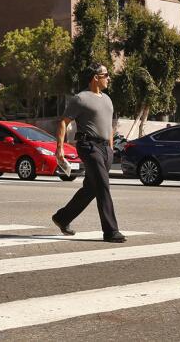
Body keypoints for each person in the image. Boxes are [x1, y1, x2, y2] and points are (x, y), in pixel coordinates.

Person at [51, 63, 125, 243]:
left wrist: (110, 147)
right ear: (95, 78)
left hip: (105, 149)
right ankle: (111, 231)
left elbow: (109, 125)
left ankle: (62, 217)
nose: (109, 78)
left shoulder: (108, 99)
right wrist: (59, 148)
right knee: (103, 185)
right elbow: (63, 122)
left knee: (91, 189)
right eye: (106, 75)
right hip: (88, 146)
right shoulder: (80, 99)